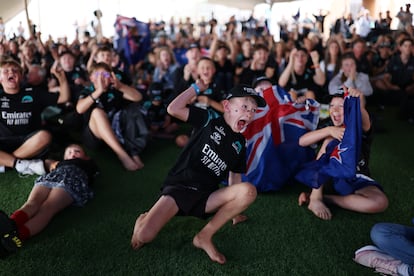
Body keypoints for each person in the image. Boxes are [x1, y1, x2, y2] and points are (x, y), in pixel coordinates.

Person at [130, 82, 266, 264]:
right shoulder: (209, 118)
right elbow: (173, 108)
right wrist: (195, 88)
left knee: (248, 191)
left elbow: (235, 177)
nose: (249, 114)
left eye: (253, 111)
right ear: (226, 106)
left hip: (205, 196)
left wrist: (235, 212)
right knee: (144, 236)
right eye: (244, 107)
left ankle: (204, 237)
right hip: (179, 187)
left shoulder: (240, 143)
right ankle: (144, 218)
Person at [296, 87, 388, 220]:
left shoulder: (359, 127)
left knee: (380, 202)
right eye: (332, 106)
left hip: (357, 178)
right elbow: (302, 141)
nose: (335, 109)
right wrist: (329, 130)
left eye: (341, 106)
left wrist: (357, 101)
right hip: (331, 178)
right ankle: (315, 197)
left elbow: (364, 118)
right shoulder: (329, 125)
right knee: (329, 140)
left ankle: (326, 199)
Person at [0, 144, 99, 256]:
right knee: (32, 203)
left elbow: (92, 176)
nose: (73, 153)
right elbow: (46, 164)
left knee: (47, 208)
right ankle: (10, 224)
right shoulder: (58, 163)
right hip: (52, 177)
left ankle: (18, 236)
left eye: (77, 151)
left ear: (86, 157)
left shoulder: (87, 164)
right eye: (69, 152)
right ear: (64, 157)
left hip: (71, 181)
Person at [0, 58, 70, 175]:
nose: (11, 72)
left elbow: (64, 98)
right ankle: (19, 164)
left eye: (15, 70)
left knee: (45, 136)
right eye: (6, 71)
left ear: (21, 77)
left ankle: (6, 164)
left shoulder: (33, 93)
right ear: (0, 78)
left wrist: (62, 79)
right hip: (4, 143)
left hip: (29, 143)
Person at [76, 62, 146, 171]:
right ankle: (122, 155)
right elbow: (80, 109)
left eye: (105, 75)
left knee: (131, 108)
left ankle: (133, 151)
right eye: (98, 75)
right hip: (94, 137)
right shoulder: (87, 91)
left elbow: (138, 97)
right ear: (91, 78)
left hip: (115, 132)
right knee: (97, 112)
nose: (102, 78)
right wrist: (99, 91)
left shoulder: (114, 89)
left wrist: (121, 86)